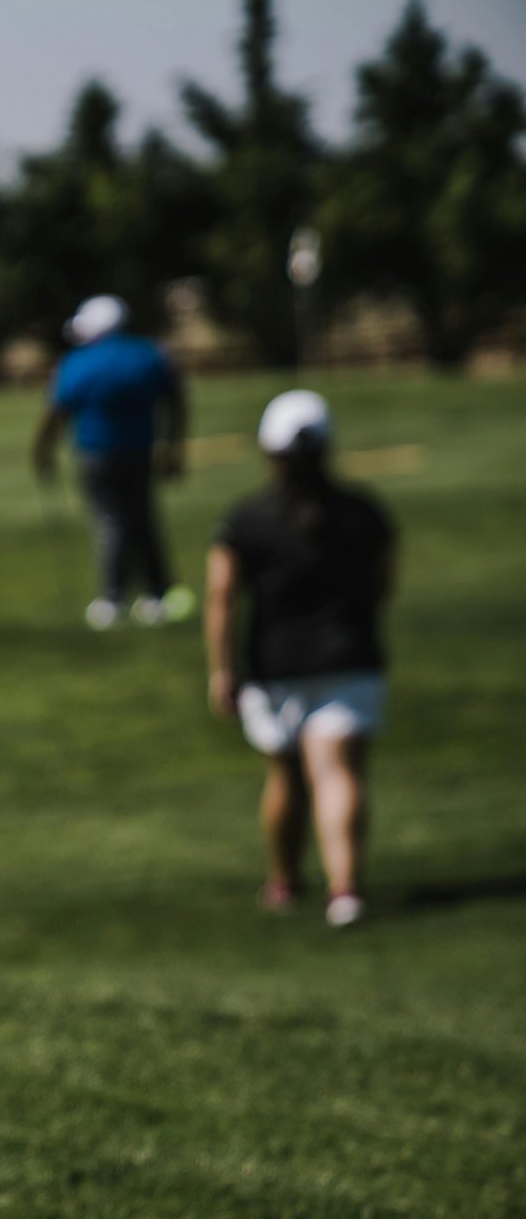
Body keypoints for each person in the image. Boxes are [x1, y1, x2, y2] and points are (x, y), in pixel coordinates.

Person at [205, 389, 395, 929]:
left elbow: (222, 596)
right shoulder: (363, 511)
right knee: (338, 774)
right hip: (352, 658)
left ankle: (284, 881)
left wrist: (222, 669)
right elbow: (383, 584)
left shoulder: (246, 519)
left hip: (276, 666)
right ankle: (346, 891)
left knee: (286, 776)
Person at [33, 294, 192, 629]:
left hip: (96, 455)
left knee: (112, 523)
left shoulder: (78, 361)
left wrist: (42, 453)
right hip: (140, 453)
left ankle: (113, 599)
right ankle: (156, 594)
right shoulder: (150, 354)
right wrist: (175, 449)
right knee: (142, 518)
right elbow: (176, 400)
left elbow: (55, 412)